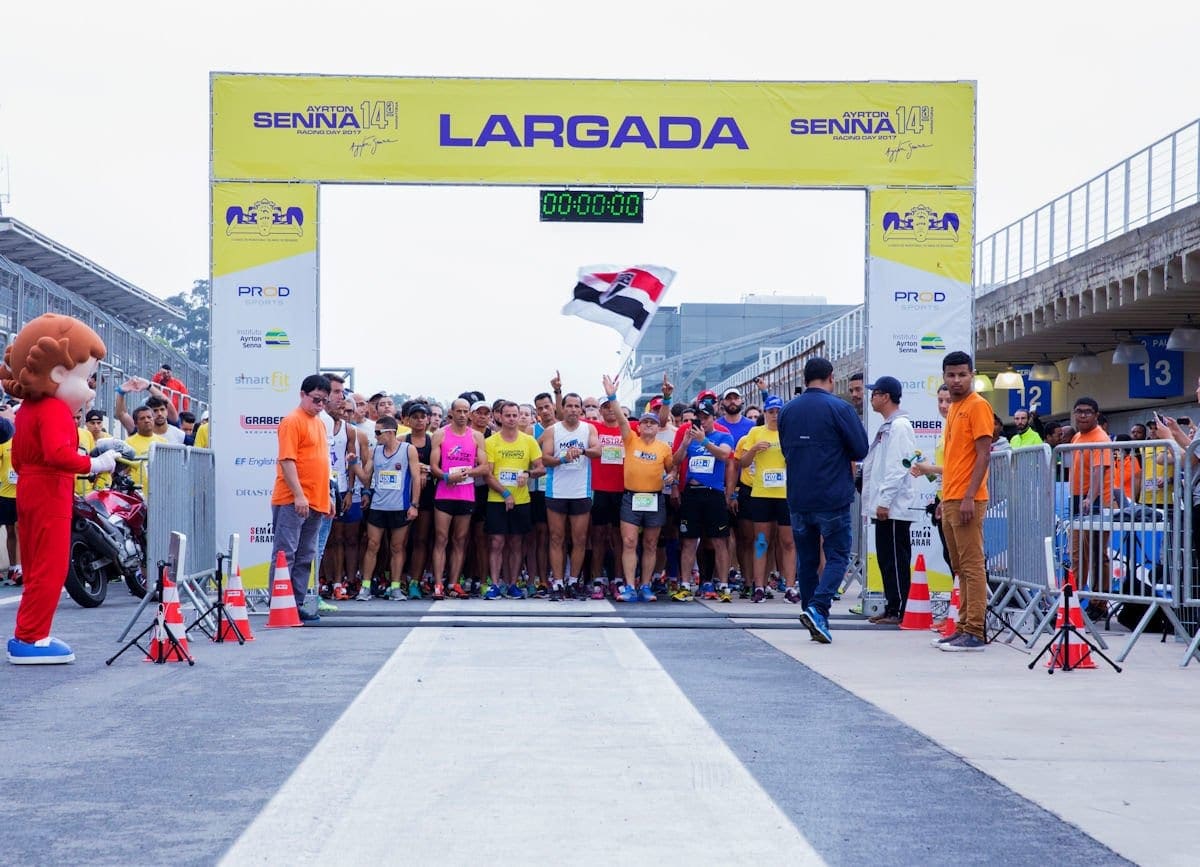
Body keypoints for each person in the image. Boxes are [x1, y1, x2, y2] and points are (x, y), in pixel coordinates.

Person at [2, 314, 117, 664]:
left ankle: (29, 631)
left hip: (30, 488)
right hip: (50, 489)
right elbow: (57, 454)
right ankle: (31, 636)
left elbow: (22, 459)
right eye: (87, 377)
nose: (91, 388)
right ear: (57, 374)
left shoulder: (26, 410)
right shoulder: (53, 409)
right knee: (50, 566)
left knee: (36, 564)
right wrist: (95, 464)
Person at [779, 357, 869, 644]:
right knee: (837, 555)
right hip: (832, 495)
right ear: (831, 377)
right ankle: (818, 609)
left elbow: (785, 449)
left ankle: (814, 616)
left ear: (805, 379)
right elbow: (860, 448)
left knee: (807, 560)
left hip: (798, 496)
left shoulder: (787, 411)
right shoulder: (840, 407)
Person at [934, 351, 995, 652]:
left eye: (962, 374)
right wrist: (947, 498)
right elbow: (956, 459)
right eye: (951, 375)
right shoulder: (956, 408)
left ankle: (974, 629)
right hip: (953, 497)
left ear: (972, 375)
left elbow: (984, 454)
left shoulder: (977, 406)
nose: (956, 380)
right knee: (959, 566)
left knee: (971, 566)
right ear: (944, 377)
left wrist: (970, 495)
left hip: (968, 497)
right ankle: (962, 627)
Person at [269, 374, 332, 621]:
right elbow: (286, 460)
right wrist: (298, 495)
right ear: (302, 394)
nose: (320, 406)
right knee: (287, 553)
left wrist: (327, 497)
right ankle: (280, 604)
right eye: (316, 400)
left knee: (306, 554)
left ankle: (295, 602)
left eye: (324, 401)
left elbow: (321, 463)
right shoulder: (292, 421)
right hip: (292, 499)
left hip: (315, 499)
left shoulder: (318, 423)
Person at [604, 374, 672, 602]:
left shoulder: (664, 448)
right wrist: (612, 395)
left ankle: (646, 585)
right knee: (630, 542)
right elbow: (622, 421)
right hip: (631, 498)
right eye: (645, 422)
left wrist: (672, 476)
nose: (649, 425)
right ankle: (630, 586)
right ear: (639, 426)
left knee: (651, 543)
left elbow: (672, 470)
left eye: (653, 422)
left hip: (654, 498)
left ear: (657, 426)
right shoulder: (631, 439)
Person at [861, 376, 921, 625]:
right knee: (886, 558)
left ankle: (900, 609)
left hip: (894, 507)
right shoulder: (889, 426)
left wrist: (885, 501)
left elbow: (898, 467)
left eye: (875, 393)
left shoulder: (899, 426)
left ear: (885, 396)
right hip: (884, 505)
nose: (871, 397)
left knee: (895, 558)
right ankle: (892, 604)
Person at [673, 398, 735, 601]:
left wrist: (705, 441)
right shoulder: (690, 437)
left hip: (713, 494)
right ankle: (684, 584)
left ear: (713, 418)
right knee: (689, 541)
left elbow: (724, 456)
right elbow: (676, 461)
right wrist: (684, 444)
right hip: (692, 493)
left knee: (719, 541)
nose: (702, 422)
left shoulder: (723, 436)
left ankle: (724, 585)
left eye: (705, 418)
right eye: (698, 418)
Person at [736, 395, 797, 602]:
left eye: (779, 412)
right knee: (761, 541)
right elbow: (742, 463)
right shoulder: (755, 432)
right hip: (761, 493)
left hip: (784, 495)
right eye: (771, 412)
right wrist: (753, 449)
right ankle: (759, 586)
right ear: (765, 413)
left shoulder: (790, 432)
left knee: (787, 542)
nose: (775, 416)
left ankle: (790, 587)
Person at [539, 391, 598, 600]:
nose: (573, 409)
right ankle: (556, 582)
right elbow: (545, 459)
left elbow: (597, 450)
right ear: (562, 408)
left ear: (581, 409)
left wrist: (581, 452)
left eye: (576, 406)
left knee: (579, 539)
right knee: (556, 538)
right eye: (569, 406)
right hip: (557, 490)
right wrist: (563, 458)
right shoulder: (552, 431)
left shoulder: (588, 428)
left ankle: (573, 581)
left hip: (581, 490)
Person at [483, 401, 544, 598]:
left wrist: (528, 473)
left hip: (522, 500)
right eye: (507, 415)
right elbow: (488, 474)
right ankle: (494, 584)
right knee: (497, 542)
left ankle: (512, 584)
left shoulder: (529, 441)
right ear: (499, 417)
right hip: (497, 499)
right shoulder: (491, 441)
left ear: (519, 417)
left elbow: (541, 468)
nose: (511, 419)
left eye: (514, 415)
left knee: (516, 543)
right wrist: (505, 494)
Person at [429, 398, 488, 598]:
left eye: (465, 411)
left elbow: (484, 466)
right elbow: (434, 467)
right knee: (441, 539)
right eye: (459, 411)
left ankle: (453, 583)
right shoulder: (440, 434)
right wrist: (447, 477)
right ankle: (438, 584)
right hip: (444, 493)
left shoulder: (477, 436)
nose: (462, 415)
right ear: (451, 413)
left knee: (460, 540)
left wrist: (467, 473)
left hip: (466, 494)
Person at [358, 415, 421, 602]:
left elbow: (417, 478)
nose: (375, 436)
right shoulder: (375, 451)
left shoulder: (408, 450)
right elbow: (365, 475)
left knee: (397, 547)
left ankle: (395, 587)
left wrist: (414, 504)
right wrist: (354, 465)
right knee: (372, 545)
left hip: (400, 506)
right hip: (378, 505)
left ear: (391, 432)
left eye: (378, 433)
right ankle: (366, 586)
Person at [1069, 396, 1113, 614]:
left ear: (1096, 415)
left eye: (1087, 411)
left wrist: (1090, 497)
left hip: (1097, 501)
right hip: (1079, 498)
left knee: (1096, 553)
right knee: (1077, 553)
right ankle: (1072, 600)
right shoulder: (1078, 436)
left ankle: (1099, 602)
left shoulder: (1100, 438)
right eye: (1079, 411)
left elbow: (1099, 470)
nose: (1083, 415)